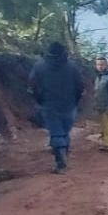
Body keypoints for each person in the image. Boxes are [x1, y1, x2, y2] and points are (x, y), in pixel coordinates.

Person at [28, 42, 84, 174]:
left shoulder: (39, 66)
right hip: (69, 105)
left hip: (49, 105)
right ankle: (64, 153)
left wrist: (40, 100)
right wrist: (75, 101)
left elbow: (32, 87)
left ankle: (61, 162)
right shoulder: (72, 67)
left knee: (56, 132)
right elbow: (80, 86)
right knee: (64, 132)